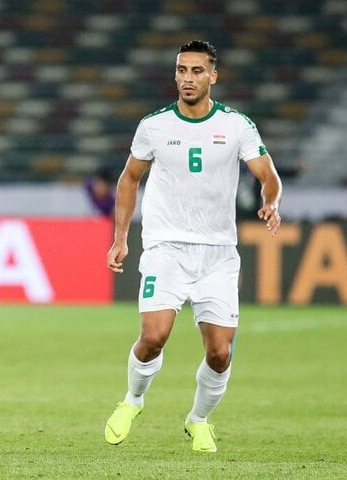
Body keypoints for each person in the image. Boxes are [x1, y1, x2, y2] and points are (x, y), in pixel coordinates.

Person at [103, 40, 282, 453]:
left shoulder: (237, 125)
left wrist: (271, 201)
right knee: (154, 335)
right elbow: (129, 179)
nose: (187, 78)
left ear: (213, 76)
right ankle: (132, 400)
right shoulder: (154, 125)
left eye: (197, 71)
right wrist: (120, 238)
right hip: (166, 248)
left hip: (218, 254)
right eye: (181, 70)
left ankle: (198, 419)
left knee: (220, 352)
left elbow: (267, 174)